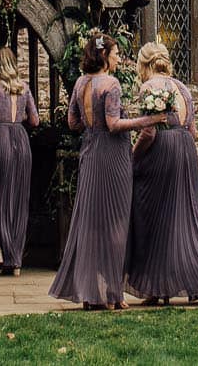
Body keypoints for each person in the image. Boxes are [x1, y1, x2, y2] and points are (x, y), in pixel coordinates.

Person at [49, 33, 167, 309]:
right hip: (113, 156)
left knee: (90, 222)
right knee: (115, 223)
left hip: (90, 152)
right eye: (115, 54)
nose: (118, 58)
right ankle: (112, 294)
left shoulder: (80, 83)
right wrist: (149, 119)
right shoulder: (110, 83)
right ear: (104, 56)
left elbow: (73, 122)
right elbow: (114, 124)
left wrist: (93, 125)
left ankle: (92, 293)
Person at [126, 42, 198, 306]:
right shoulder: (182, 88)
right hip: (185, 150)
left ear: (143, 65)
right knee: (185, 215)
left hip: (161, 149)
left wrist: (133, 158)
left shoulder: (149, 88)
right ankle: (163, 286)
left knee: (152, 214)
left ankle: (195, 279)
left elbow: (148, 131)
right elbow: (191, 130)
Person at [0, 46, 39, 274]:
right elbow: (35, 120)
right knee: (17, 201)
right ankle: (16, 261)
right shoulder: (24, 87)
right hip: (20, 141)